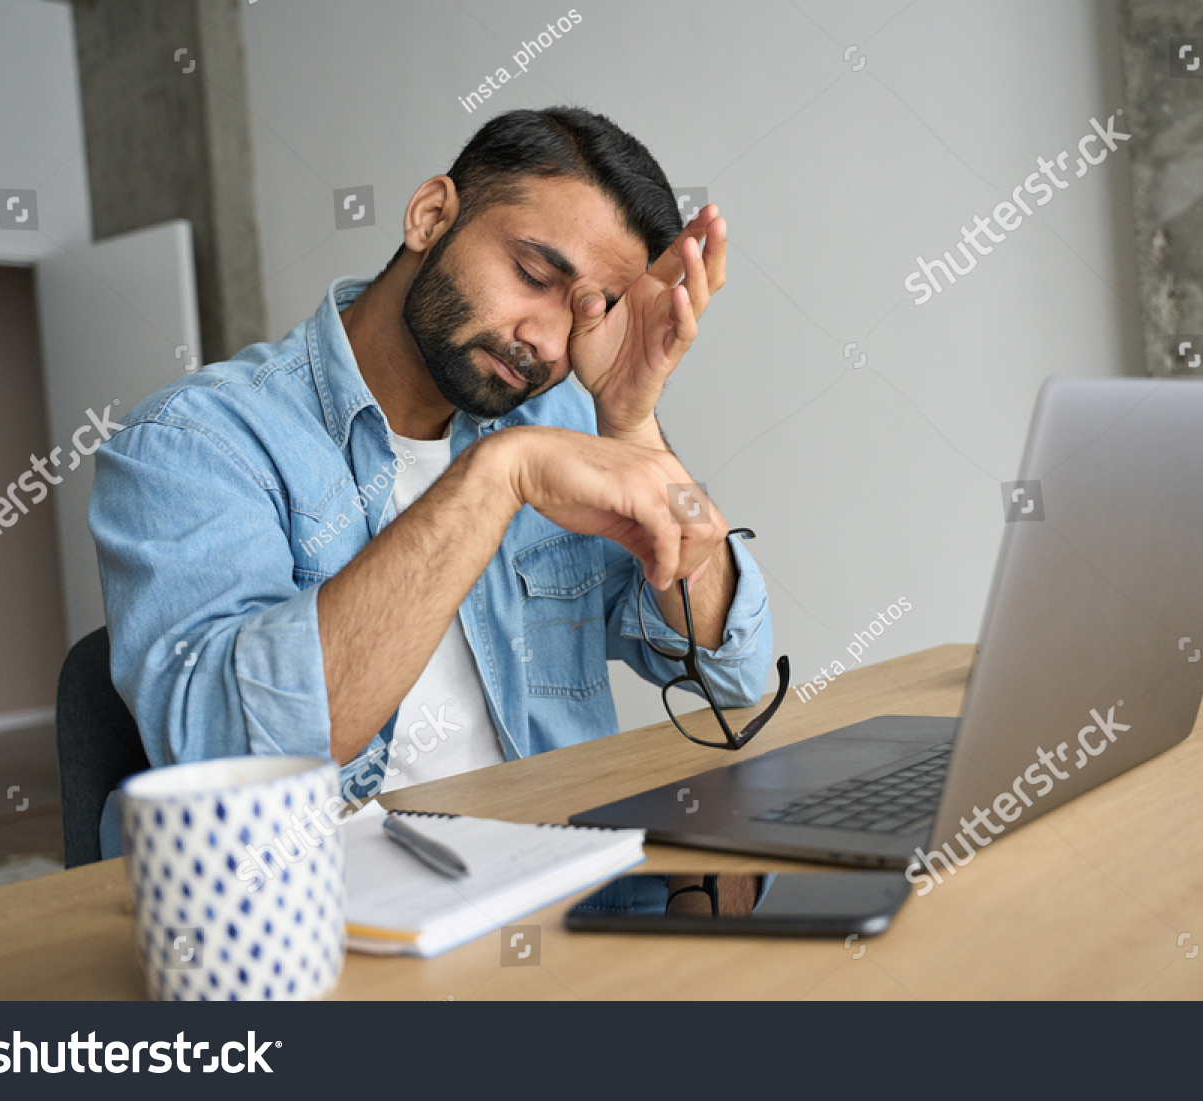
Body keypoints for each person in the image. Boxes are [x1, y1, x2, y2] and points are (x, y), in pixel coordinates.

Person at [89, 107, 775, 856]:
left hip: (562, 887)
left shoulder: (562, 419)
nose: (547, 341)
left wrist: (632, 420)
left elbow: (729, 671)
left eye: (588, 310)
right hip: (330, 929)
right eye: (533, 275)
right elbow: (232, 761)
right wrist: (498, 477)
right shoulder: (194, 444)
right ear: (430, 216)